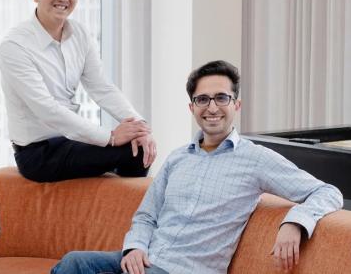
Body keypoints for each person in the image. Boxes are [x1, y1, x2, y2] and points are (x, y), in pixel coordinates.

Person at [51, 60, 343, 274]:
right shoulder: (178, 158)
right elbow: (146, 216)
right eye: (202, 99)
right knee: (73, 263)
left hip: (185, 270)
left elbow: (326, 192)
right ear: (192, 108)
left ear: (236, 105)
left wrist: (294, 223)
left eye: (221, 98)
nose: (212, 107)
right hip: (146, 259)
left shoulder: (256, 159)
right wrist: (135, 247)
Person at [0, 0, 156, 182]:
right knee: (129, 151)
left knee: (138, 148)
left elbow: (102, 88)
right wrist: (110, 137)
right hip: (38, 153)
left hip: (69, 140)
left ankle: (114, 210)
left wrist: (140, 126)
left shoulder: (79, 34)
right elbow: (47, 110)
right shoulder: (15, 45)